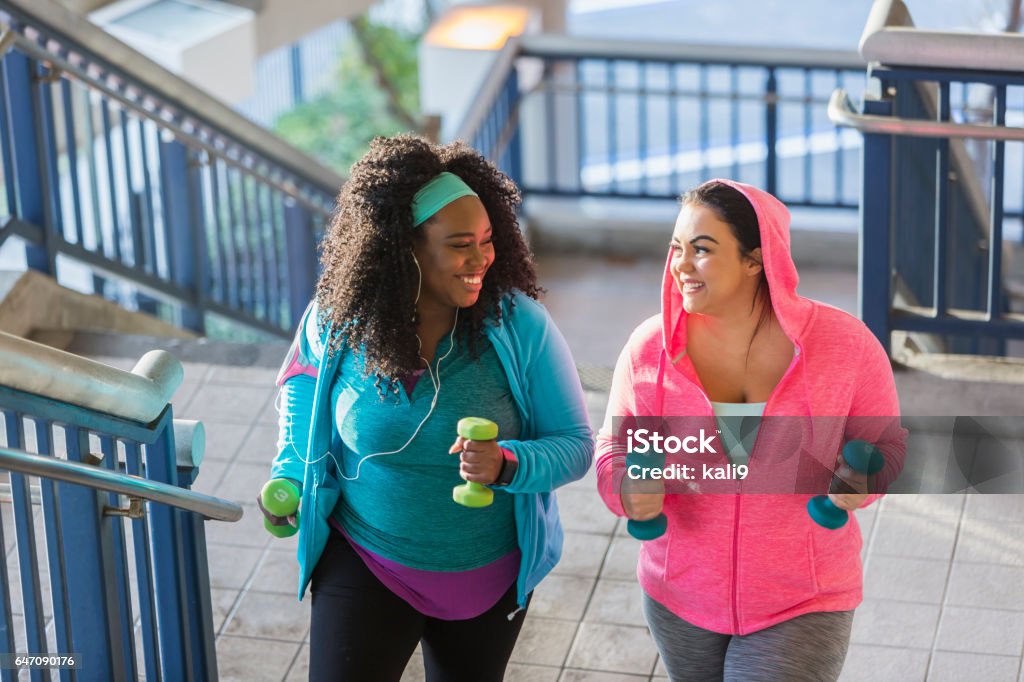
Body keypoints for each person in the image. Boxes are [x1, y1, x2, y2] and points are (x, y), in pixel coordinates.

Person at [262, 135, 593, 681]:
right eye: (462, 244)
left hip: (486, 577)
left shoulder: (520, 326)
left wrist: (508, 464)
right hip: (367, 558)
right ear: (403, 247)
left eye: (488, 240)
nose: (482, 258)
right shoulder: (341, 318)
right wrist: (291, 471)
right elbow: (303, 382)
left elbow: (577, 446)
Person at [595, 179, 906, 681]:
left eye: (702, 249)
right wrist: (628, 488)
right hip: (680, 595)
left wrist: (863, 483)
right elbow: (613, 451)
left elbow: (887, 448)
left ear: (756, 260)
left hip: (803, 599)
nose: (680, 265)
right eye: (676, 248)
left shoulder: (846, 346)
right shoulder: (648, 349)